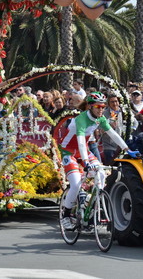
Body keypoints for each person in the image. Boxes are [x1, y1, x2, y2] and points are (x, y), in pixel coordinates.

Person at [59, 92, 132, 229]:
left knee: (102, 173)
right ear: (90, 106)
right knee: (75, 184)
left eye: (103, 107)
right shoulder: (81, 119)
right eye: (98, 106)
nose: (101, 110)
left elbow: (113, 134)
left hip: (84, 151)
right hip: (69, 152)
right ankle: (66, 214)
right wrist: (86, 162)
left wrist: (127, 149)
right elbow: (81, 141)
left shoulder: (100, 119)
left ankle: (91, 202)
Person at [102, 94, 125, 164]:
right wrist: (109, 126)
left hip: (121, 146)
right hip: (109, 146)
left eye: (116, 101)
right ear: (108, 104)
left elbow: (135, 122)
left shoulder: (123, 111)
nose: (115, 104)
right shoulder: (104, 114)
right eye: (112, 102)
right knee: (110, 168)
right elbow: (100, 131)